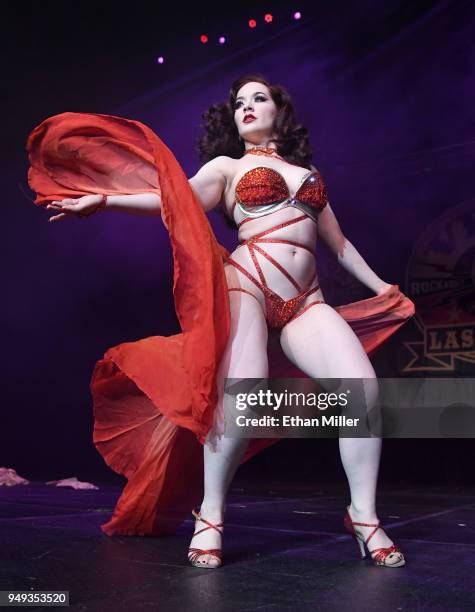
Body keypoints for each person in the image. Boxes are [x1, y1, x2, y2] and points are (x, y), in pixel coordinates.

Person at [26, 74, 415, 570]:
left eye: (259, 99)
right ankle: (210, 514)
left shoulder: (309, 173)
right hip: (247, 282)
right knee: (241, 400)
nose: (247, 107)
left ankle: (363, 517)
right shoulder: (228, 166)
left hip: (306, 299)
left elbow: (339, 245)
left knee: (362, 390)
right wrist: (104, 200)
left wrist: (381, 287)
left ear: (281, 110)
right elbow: (177, 200)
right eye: (239, 103)